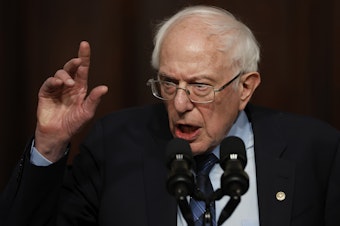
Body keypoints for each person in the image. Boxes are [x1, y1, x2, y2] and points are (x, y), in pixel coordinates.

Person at [1, 5, 340, 226]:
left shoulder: (315, 149)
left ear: (246, 88)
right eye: (168, 82)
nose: (179, 103)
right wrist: (49, 144)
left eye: (200, 86)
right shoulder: (115, 144)